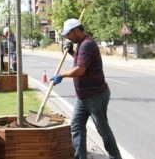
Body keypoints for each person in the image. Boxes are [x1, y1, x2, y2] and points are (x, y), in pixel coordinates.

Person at [50, 18, 122, 159]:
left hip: (95, 96)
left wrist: (61, 75)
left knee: (102, 129)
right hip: (82, 97)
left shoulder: (87, 44)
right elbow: (82, 61)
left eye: (68, 34)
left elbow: (80, 70)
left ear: (76, 31)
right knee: (76, 127)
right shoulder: (82, 44)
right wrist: (71, 52)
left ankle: (115, 157)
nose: (67, 37)